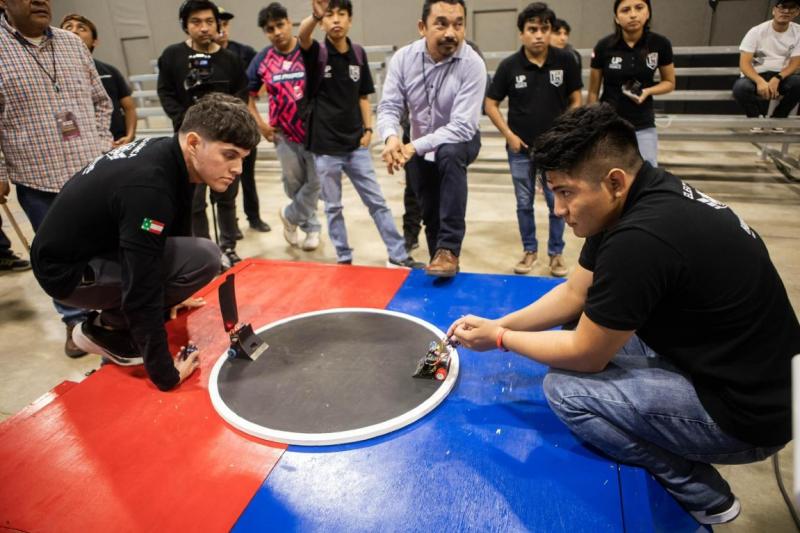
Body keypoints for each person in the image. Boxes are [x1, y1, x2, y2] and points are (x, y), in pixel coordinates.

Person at [448, 103, 800, 526]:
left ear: (614, 181)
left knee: (566, 390)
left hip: (749, 417)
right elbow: (575, 293)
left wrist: (500, 340)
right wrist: (499, 323)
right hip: (746, 371)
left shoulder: (640, 239)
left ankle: (698, 488)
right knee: (580, 323)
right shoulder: (639, 194)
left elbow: (586, 355)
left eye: (566, 192)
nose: (557, 210)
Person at [31, 93, 260, 392]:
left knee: (196, 258)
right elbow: (142, 283)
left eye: (243, 158)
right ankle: (105, 327)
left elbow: (172, 235)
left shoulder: (170, 154)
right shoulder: (149, 187)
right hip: (67, 274)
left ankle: (115, 320)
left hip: (93, 248)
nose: (238, 169)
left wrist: (174, 294)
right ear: (194, 142)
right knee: (204, 257)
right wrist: (166, 374)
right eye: (229, 155)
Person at [0, 0, 112, 357]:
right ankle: (74, 320)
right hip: (37, 179)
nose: (39, 1)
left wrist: (101, 145)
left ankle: (111, 312)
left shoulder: (71, 43)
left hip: (90, 171)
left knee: (105, 245)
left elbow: (101, 102)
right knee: (58, 256)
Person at [299, 0, 422, 268]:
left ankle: (398, 255)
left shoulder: (357, 53)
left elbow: (363, 96)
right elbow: (303, 37)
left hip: (356, 145)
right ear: (323, 22)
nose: (336, 20)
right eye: (330, 15)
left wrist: (368, 129)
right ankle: (344, 258)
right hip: (325, 147)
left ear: (350, 20)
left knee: (377, 202)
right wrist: (314, 17)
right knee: (333, 207)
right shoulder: (317, 53)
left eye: (341, 14)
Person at [378, 0, 486, 277]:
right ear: (422, 27)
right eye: (441, 24)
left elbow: (462, 126)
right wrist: (391, 138)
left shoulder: (472, 64)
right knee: (429, 208)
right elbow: (389, 106)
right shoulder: (404, 59)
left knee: (449, 153)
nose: (451, 32)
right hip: (416, 140)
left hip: (460, 139)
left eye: (458, 24)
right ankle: (439, 261)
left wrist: (413, 146)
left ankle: (449, 248)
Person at [485, 3, 581, 278]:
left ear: (550, 31)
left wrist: (565, 131)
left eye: (544, 29)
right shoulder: (509, 66)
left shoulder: (565, 61)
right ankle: (529, 250)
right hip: (520, 150)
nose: (538, 35)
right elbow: (491, 104)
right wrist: (509, 135)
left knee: (557, 204)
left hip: (556, 151)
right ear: (521, 33)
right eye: (532, 29)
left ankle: (556, 253)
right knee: (524, 203)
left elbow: (576, 99)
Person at [156, 0, 248, 269]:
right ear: (186, 26)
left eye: (209, 21)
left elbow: (242, 94)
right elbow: (166, 93)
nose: (204, 28)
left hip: (226, 144)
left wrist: (226, 127)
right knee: (194, 203)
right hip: (190, 146)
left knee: (226, 199)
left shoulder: (231, 59)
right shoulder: (172, 56)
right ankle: (205, 252)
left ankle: (229, 247)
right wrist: (186, 121)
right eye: (196, 22)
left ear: (218, 25)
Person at [248, 2, 321, 251]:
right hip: (283, 135)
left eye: (280, 25)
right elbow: (248, 96)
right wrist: (261, 125)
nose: (277, 32)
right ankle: (311, 228)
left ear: (290, 23)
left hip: (314, 133)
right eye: (270, 29)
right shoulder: (262, 59)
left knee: (317, 181)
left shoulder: (307, 50)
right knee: (294, 184)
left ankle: (290, 216)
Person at [587, 0, 675, 167]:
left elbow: (669, 82)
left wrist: (648, 91)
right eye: (625, 10)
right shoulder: (603, 46)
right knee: (609, 172)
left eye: (639, 8)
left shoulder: (660, 44)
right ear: (616, 18)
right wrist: (591, 126)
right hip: (609, 124)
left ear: (648, 13)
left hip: (643, 123)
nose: (633, 14)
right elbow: (593, 92)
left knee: (648, 172)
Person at [215, 6, 271, 233]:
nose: (222, 29)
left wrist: (258, 92)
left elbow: (264, 74)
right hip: (217, 130)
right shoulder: (205, 58)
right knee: (222, 180)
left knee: (248, 176)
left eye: (225, 24)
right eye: (218, 23)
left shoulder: (244, 52)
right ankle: (230, 226)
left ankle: (254, 217)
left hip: (244, 127)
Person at [60, 13, 138, 147]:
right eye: (68, 27)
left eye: (81, 28)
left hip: (115, 144)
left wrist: (129, 136)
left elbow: (129, 108)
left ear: (95, 41)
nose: (74, 31)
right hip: (79, 147)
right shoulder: (54, 74)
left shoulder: (110, 71)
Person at [733, 0, 800, 125]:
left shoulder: (798, 32)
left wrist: (777, 78)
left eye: (791, 8)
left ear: (797, 12)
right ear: (774, 10)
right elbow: (745, 64)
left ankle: (779, 119)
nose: (786, 11)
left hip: (782, 76)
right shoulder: (756, 31)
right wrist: (759, 81)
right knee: (740, 88)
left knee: (798, 83)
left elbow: (795, 63)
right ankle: (756, 120)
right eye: (782, 7)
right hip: (757, 74)